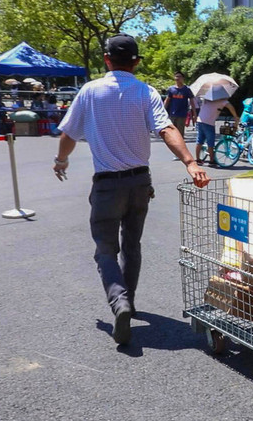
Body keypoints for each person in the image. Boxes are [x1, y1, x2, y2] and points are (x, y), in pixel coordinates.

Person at [53, 33, 209, 346]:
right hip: (140, 183)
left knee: (105, 249)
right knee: (132, 244)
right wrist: (190, 162)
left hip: (108, 185)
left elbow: (68, 133)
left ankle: (119, 302)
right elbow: (166, 129)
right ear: (136, 62)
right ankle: (130, 300)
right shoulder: (145, 91)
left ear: (106, 60)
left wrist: (61, 161)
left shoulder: (89, 91)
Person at [194, 96, 239, 165]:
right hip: (208, 122)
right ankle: (211, 161)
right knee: (210, 142)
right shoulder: (221, 100)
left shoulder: (207, 98)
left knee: (200, 140)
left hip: (200, 120)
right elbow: (230, 107)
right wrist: (235, 116)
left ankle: (197, 159)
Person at [163, 71, 196, 140]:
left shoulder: (187, 89)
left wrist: (194, 114)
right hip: (172, 114)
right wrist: (163, 111)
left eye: (179, 76)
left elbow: (192, 102)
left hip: (182, 115)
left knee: (180, 134)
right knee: (172, 132)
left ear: (183, 78)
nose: (177, 78)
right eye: (176, 76)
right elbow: (167, 100)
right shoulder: (171, 89)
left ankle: (180, 146)